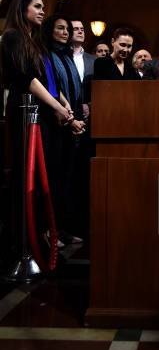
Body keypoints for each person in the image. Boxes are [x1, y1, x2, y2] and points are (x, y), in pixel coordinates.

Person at [0, 0, 72, 249]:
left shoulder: (36, 42)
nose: (43, 11)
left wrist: (64, 103)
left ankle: (41, 230)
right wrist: (56, 106)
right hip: (26, 111)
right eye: (38, 6)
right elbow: (27, 79)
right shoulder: (13, 37)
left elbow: (48, 79)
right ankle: (22, 239)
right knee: (26, 173)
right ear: (23, 8)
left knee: (47, 172)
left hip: (44, 113)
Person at [41, 14, 86, 244]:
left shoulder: (67, 55)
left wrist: (77, 118)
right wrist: (69, 118)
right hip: (54, 123)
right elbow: (52, 89)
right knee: (54, 178)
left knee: (69, 179)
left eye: (67, 28)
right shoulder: (46, 54)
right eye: (60, 28)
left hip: (71, 122)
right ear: (50, 31)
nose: (65, 32)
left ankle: (64, 228)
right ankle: (50, 230)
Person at [71, 19, 95, 118]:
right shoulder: (61, 57)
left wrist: (89, 104)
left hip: (89, 112)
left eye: (82, 29)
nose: (80, 31)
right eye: (76, 29)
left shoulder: (94, 60)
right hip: (66, 109)